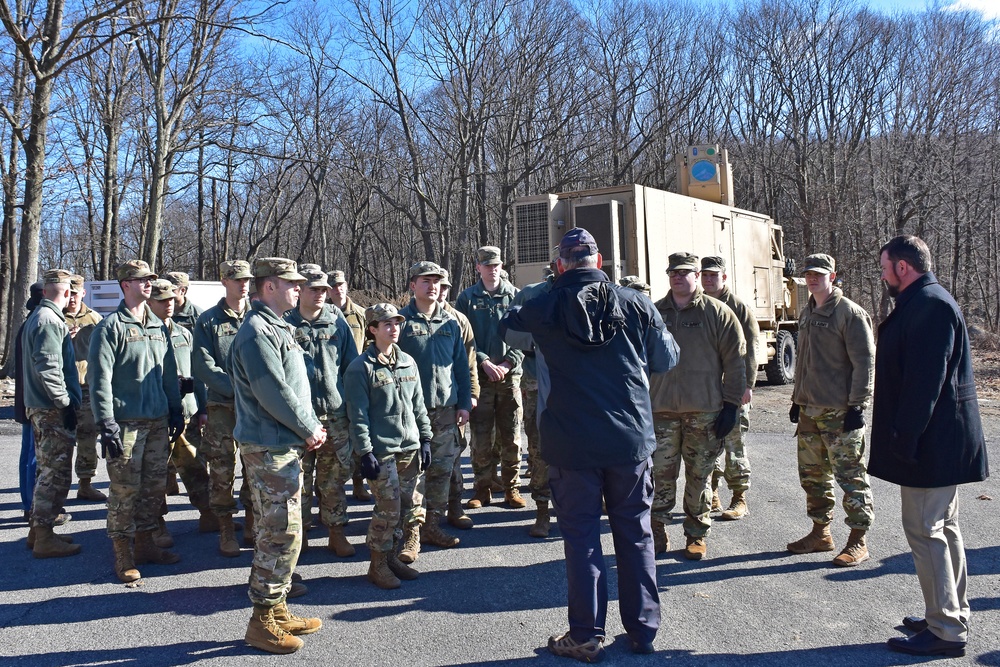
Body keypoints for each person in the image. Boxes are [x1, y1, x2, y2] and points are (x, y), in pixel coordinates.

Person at [500, 227, 679, 661]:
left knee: (581, 539)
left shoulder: (542, 305)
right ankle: (643, 630)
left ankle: (584, 634)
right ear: (599, 262)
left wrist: (552, 294)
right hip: (628, 440)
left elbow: (508, 329)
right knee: (635, 534)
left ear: (560, 264)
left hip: (571, 442)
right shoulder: (636, 303)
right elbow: (667, 358)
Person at [870, 236, 989, 658]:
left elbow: (925, 382)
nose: (882, 274)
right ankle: (948, 612)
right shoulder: (924, 302)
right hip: (936, 443)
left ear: (903, 267)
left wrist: (904, 437)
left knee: (927, 531)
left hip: (931, 445)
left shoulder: (931, 305)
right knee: (944, 529)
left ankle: (945, 631)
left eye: (885, 266)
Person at [229, 258, 325, 654]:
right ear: (269, 287)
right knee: (278, 531)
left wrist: (307, 425)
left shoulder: (276, 326)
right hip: (270, 446)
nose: (298, 289)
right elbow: (274, 392)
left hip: (282, 445)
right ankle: (262, 620)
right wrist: (309, 427)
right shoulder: (256, 332)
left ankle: (279, 607)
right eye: (291, 283)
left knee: (286, 529)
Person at [88, 260, 185, 582]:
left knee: (154, 489)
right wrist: (106, 422)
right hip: (125, 424)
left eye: (151, 279)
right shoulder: (110, 327)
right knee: (124, 491)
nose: (148, 284)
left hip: (157, 421)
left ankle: (146, 546)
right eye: (142, 279)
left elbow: (169, 373)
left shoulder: (158, 326)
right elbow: (99, 380)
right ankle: (122, 554)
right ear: (125, 284)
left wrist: (175, 410)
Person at [649, 252, 745, 560]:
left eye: (684, 272)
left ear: (696, 274)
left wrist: (731, 406)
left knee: (699, 476)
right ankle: (656, 532)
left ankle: (696, 534)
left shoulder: (717, 313)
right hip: (660, 410)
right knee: (659, 476)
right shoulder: (653, 312)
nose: (677, 277)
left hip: (703, 411)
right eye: (672, 272)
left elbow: (735, 363)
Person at [788, 253, 875, 567]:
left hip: (840, 411)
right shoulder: (808, 312)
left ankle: (858, 539)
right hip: (810, 410)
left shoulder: (849, 313)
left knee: (850, 476)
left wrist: (857, 406)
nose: (813, 279)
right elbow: (804, 363)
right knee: (813, 477)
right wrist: (797, 400)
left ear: (833, 276)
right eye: (809, 274)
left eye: (819, 274)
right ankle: (820, 533)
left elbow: (864, 362)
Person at [344, 303, 433, 590]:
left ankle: (392, 556)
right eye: (387, 324)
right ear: (372, 329)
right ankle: (377, 564)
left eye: (397, 323)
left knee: (407, 506)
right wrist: (366, 451)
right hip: (382, 451)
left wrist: (426, 438)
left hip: (409, 447)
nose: (394, 328)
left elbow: (418, 404)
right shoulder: (360, 368)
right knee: (388, 509)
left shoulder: (408, 361)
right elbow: (357, 414)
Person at [396, 261, 472, 561]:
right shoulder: (399, 321)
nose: (432, 286)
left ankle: (432, 525)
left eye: (437, 281)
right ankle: (410, 534)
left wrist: (465, 403)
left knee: (441, 472)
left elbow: (462, 368)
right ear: (412, 285)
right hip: (410, 412)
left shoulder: (451, 323)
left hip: (445, 410)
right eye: (425, 280)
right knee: (411, 475)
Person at [285, 265, 359, 557]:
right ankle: (299, 537)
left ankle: (335, 531)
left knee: (334, 478)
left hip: (334, 413)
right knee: (298, 481)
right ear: (299, 290)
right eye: (313, 288)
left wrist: (352, 407)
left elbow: (351, 364)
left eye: (323, 290)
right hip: (297, 417)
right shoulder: (285, 321)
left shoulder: (335, 318)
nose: (319, 294)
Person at [456, 246, 525, 509]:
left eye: (496, 265)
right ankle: (482, 489)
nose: (492, 269)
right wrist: (483, 361)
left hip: (510, 378)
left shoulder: (515, 296)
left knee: (511, 437)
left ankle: (512, 489)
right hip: (481, 378)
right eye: (487, 265)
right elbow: (466, 338)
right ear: (478, 268)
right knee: (481, 437)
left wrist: (509, 363)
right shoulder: (467, 298)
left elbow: (525, 335)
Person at [193, 260, 253, 555]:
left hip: (256, 407)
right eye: (237, 280)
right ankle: (226, 527)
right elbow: (203, 364)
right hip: (222, 406)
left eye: (246, 280)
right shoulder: (209, 320)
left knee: (255, 465)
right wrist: (235, 387)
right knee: (221, 467)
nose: (243, 284)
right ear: (224, 282)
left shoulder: (259, 316)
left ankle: (253, 521)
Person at [22, 269, 83, 558]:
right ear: (68, 293)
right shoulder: (48, 320)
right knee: (55, 475)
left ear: (46, 291)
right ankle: (44, 536)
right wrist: (64, 403)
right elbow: (47, 366)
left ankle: (38, 532)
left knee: (48, 470)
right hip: (50, 409)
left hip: (43, 407)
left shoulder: (43, 317)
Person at [147, 279, 212, 546]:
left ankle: (208, 513)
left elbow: (197, 374)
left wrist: (203, 407)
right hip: (156, 414)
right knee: (156, 473)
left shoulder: (184, 334)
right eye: (162, 300)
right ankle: (157, 524)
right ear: (149, 302)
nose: (168, 304)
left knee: (195, 466)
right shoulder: (145, 334)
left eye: (171, 299)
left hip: (187, 412)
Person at [700, 255, 759, 520]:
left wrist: (747, 385)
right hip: (706, 390)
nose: (709, 279)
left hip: (733, 388)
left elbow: (751, 349)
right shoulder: (698, 305)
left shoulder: (738, 307)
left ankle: (739, 497)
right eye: (705, 275)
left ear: (724, 277)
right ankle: (712, 494)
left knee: (734, 443)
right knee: (707, 444)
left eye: (714, 275)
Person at [505, 252, 557, 537]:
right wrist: (539, 343)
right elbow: (509, 327)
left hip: (578, 386)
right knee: (539, 448)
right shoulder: (531, 295)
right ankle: (542, 511)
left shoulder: (587, 293)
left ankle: (577, 507)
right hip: (537, 382)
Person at [327, 269, 372, 503]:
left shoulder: (361, 314)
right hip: (333, 384)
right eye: (333, 285)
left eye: (341, 284)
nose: (338, 289)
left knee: (359, 434)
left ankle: (358, 483)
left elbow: (368, 345)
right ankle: (327, 489)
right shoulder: (323, 314)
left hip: (358, 382)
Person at [438, 269, 478, 531]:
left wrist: (471, 395)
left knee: (454, 458)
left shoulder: (458, 319)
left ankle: (455, 507)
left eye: (444, 287)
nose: (440, 291)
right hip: (423, 403)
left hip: (453, 400)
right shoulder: (407, 320)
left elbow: (469, 362)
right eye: (435, 285)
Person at [64, 274, 106, 502]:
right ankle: (56, 488)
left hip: (87, 388)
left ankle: (85, 483)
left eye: (76, 293)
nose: (72, 298)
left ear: (84, 293)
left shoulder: (95, 319)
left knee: (88, 438)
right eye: (68, 293)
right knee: (61, 440)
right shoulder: (55, 318)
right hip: (63, 389)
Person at [16, 282, 45, 519]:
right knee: (33, 455)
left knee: (29, 453)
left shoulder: (29, 322)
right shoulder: (38, 323)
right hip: (33, 399)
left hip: (26, 398)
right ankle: (32, 505)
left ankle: (30, 503)